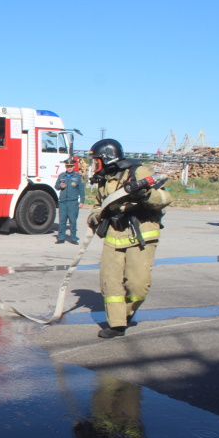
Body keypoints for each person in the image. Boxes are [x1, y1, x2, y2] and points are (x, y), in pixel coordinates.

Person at [86, 138, 172, 339]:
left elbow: (166, 198)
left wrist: (145, 195)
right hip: (114, 235)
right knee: (110, 283)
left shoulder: (139, 172)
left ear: (107, 157)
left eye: (97, 161)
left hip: (140, 234)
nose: (94, 166)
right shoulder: (104, 179)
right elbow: (98, 205)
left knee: (137, 284)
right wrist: (95, 217)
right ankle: (116, 325)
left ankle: (125, 314)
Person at [54, 155, 85, 245]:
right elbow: (56, 186)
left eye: (71, 166)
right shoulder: (61, 176)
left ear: (74, 167)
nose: (69, 168)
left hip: (73, 202)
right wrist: (60, 186)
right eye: (68, 166)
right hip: (63, 202)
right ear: (65, 167)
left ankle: (73, 238)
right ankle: (61, 238)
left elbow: (81, 190)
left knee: (72, 221)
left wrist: (82, 201)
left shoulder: (77, 177)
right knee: (62, 221)